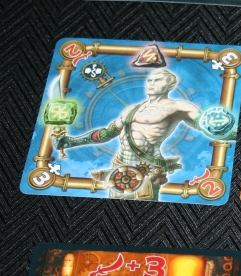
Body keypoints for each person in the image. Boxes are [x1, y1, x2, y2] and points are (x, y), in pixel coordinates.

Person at [54, 69, 200, 199]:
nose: (151, 83)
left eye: (158, 80)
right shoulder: (131, 110)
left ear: (170, 86)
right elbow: (107, 134)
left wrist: (209, 124)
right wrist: (73, 141)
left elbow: (203, 123)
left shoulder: (178, 107)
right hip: (120, 167)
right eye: (150, 80)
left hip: (148, 168)